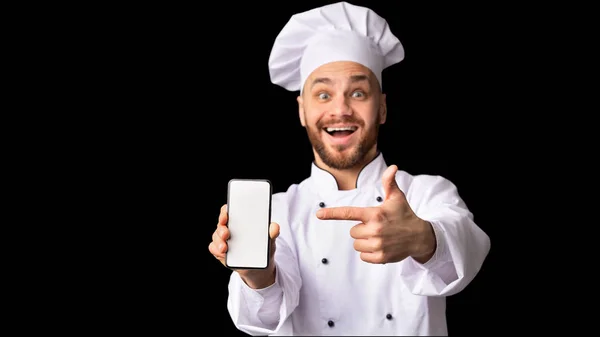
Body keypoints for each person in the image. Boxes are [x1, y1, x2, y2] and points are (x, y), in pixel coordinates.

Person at [208, 2, 491, 335]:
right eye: (323, 94)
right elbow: (262, 321)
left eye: (358, 92)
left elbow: (469, 250)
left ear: (382, 107)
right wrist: (256, 275)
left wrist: (422, 238)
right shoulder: (279, 212)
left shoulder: (427, 192)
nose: (340, 109)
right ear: (302, 111)